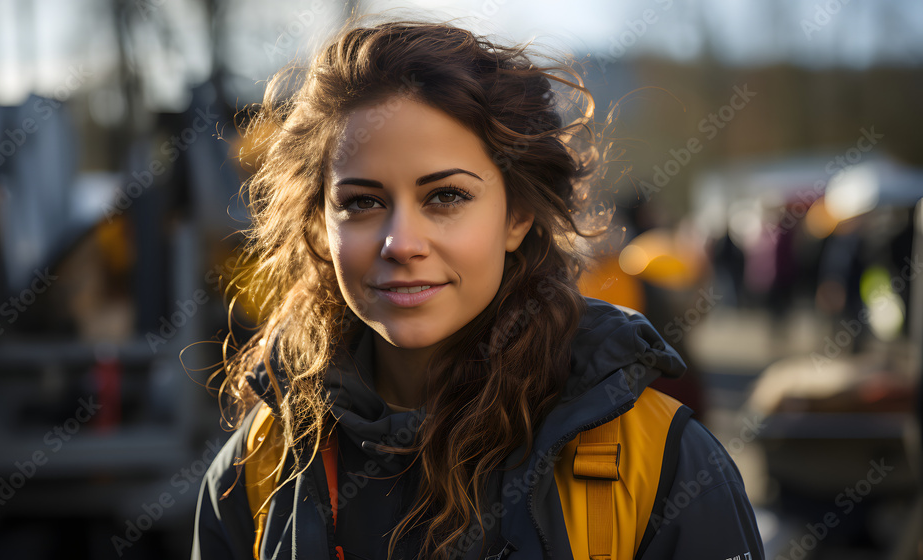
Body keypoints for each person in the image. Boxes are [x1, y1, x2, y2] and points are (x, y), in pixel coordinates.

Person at [191, 14, 764, 560]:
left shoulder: (661, 462)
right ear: (319, 222)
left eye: (446, 197)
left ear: (516, 216)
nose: (401, 243)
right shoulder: (258, 468)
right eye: (362, 203)